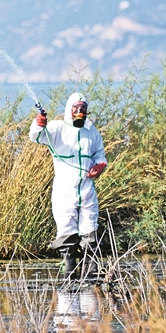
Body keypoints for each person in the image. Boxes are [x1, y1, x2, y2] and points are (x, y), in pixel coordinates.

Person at [29, 92, 108, 281]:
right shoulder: (57, 128)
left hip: (87, 190)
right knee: (66, 234)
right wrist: (39, 123)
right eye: (76, 108)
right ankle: (68, 277)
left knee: (90, 234)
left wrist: (99, 166)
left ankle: (91, 279)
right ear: (69, 109)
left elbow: (100, 154)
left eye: (83, 108)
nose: (80, 111)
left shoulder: (91, 131)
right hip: (64, 191)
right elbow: (36, 136)